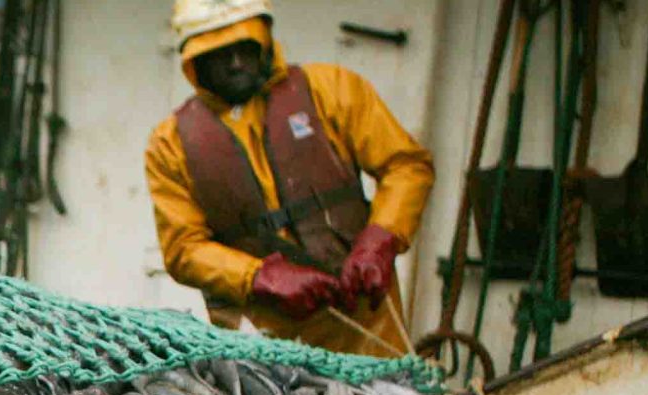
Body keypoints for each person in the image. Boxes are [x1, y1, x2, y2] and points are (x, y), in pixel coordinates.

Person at [144, 0, 434, 357]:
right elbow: (182, 248)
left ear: (264, 40)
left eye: (245, 47)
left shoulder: (334, 88)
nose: (236, 62)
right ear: (195, 63)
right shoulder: (168, 144)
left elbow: (405, 165)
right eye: (220, 53)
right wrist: (257, 276)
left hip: (366, 327)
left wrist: (379, 241)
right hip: (258, 343)